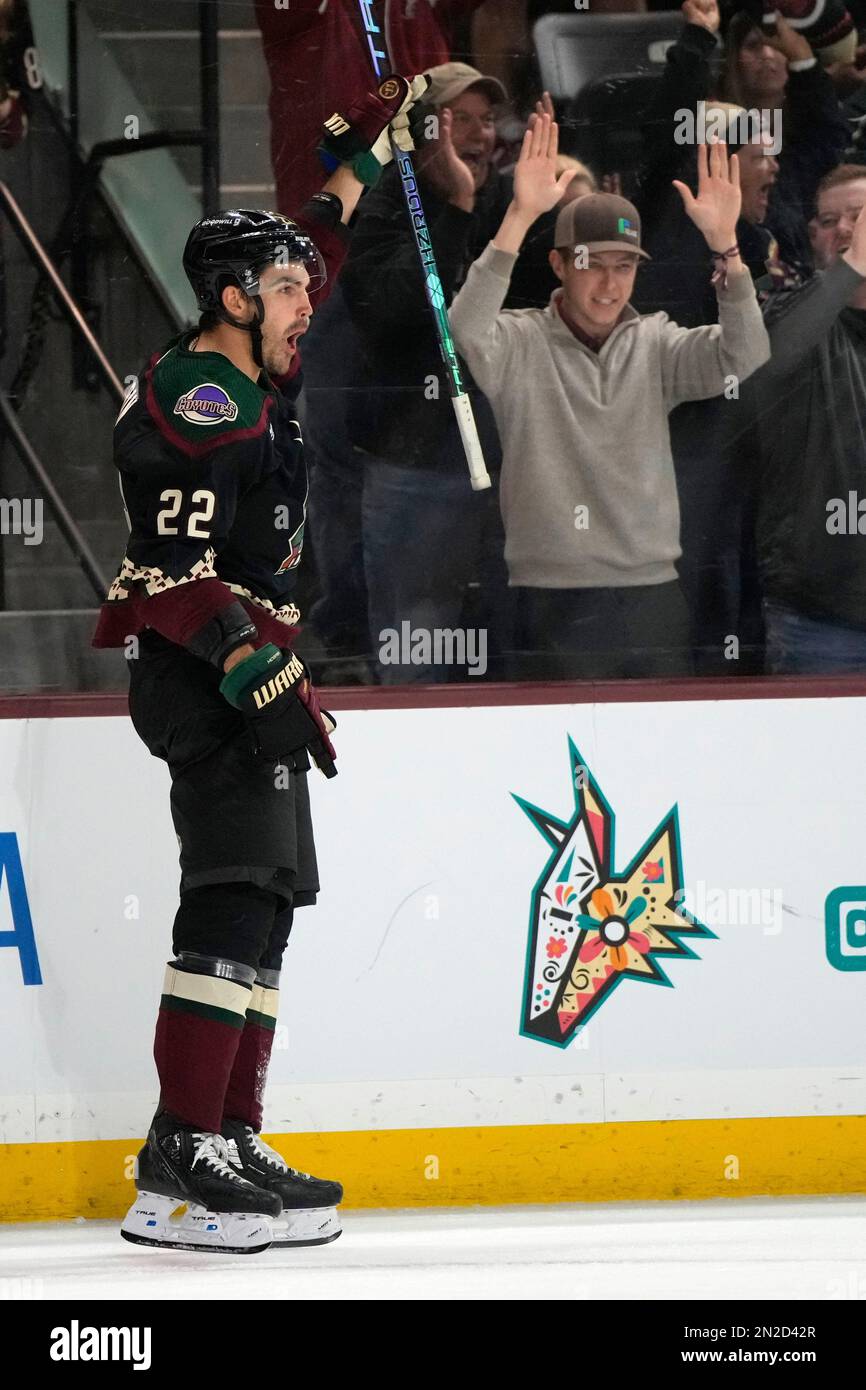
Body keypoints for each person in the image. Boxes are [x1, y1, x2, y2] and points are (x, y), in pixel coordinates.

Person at [91, 76, 425, 1252]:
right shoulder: (198, 391)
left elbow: (313, 230)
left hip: (255, 668)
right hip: (203, 675)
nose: (306, 303)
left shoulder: (247, 364)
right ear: (231, 300)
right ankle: (178, 1158)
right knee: (228, 901)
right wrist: (251, 668)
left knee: (269, 904)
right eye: (284, 289)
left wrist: (370, 160)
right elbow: (170, 572)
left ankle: (229, 1134)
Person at [449, 115, 771, 679]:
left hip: (652, 594)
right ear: (558, 265)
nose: (609, 283)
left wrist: (726, 246)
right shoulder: (518, 341)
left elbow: (744, 356)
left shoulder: (657, 343)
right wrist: (521, 215)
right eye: (590, 265)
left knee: (653, 763)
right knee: (559, 764)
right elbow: (465, 328)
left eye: (623, 266)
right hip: (549, 596)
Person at [340, 61, 516, 684]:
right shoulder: (383, 199)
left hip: (506, 465)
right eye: (457, 119)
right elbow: (394, 309)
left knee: (507, 657)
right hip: (414, 470)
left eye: (486, 119)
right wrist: (457, 208)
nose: (477, 133)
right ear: (420, 128)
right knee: (419, 652)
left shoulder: (508, 197)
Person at [751, 164, 866, 671]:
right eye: (830, 220)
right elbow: (774, 358)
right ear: (813, 235)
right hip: (819, 618)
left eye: (859, 217)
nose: (844, 229)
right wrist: (856, 264)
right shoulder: (783, 308)